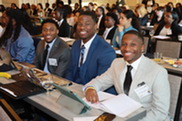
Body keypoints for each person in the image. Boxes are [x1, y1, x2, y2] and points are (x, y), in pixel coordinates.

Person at [84, 30, 170, 121]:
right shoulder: (117, 64)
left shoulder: (158, 72)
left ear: (142, 48)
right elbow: (99, 82)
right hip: (123, 115)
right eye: (124, 44)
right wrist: (90, 89)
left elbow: (160, 111)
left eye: (133, 44)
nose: (127, 48)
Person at [66, 11, 116, 94]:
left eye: (87, 24)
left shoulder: (105, 50)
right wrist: (67, 88)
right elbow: (70, 70)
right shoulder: (76, 45)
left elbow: (102, 82)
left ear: (96, 26)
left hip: (94, 93)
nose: (82, 27)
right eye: (79, 24)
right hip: (75, 90)